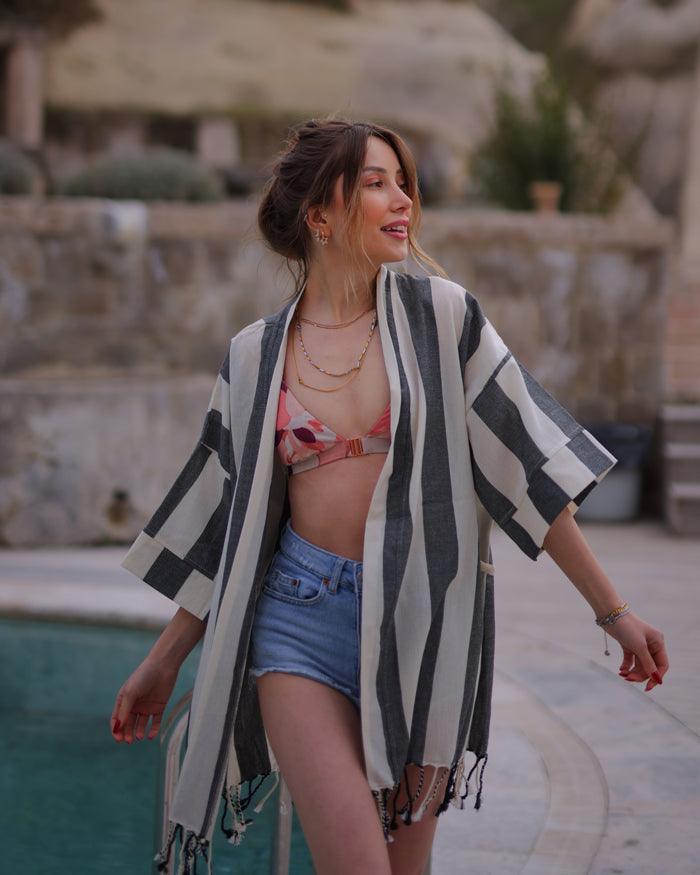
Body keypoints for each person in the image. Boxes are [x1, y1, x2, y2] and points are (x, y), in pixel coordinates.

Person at [111, 117, 669, 875]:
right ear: (320, 215)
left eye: (402, 181)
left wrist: (614, 610)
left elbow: (528, 472)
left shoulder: (446, 318)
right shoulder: (253, 355)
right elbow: (224, 523)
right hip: (296, 622)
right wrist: (165, 658)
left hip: (424, 628)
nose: (402, 198)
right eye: (375, 183)